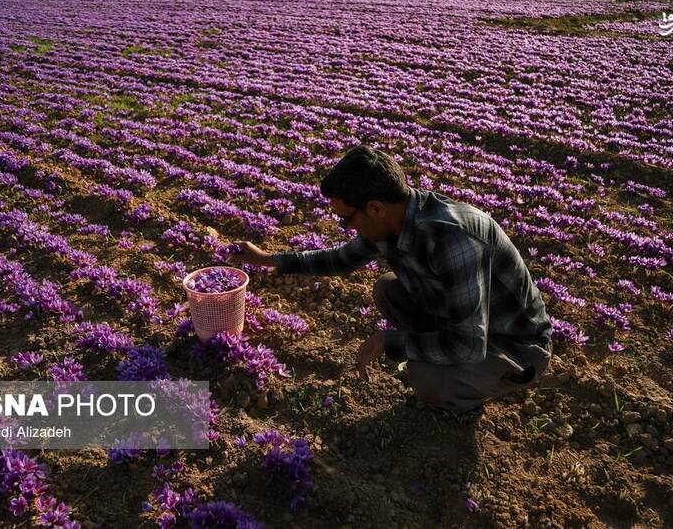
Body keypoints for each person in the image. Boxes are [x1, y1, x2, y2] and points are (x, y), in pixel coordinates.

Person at [229, 144, 553, 413]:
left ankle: (486, 383)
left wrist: (390, 341)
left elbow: (467, 344)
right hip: (467, 323)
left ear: (375, 208)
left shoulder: (453, 238)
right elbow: (339, 260)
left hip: (513, 344)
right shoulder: (394, 220)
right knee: (388, 288)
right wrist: (266, 259)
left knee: (427, 379)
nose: (347, 229)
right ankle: (444, 359)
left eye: (345, 220)